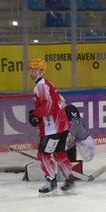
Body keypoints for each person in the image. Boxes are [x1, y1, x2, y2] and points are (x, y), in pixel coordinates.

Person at [28, 58, 74, 195]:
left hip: (52, 128)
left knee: (43, 154)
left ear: (41, 71)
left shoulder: (40, 86)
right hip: (62, 125)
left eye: (34, 69)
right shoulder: (48, 83)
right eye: (30, 69)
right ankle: (69, 178)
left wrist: (34, 114)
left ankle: (50, 181)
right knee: (59, 154)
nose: (31, 72)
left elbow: (47, 107)